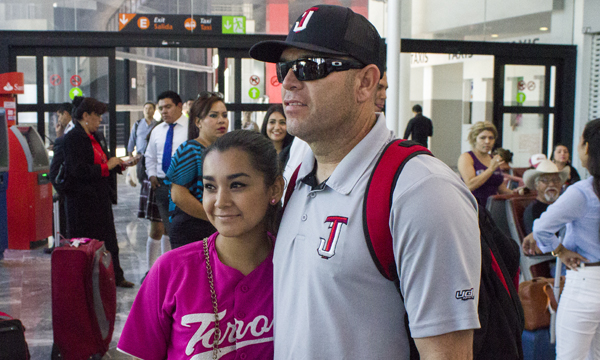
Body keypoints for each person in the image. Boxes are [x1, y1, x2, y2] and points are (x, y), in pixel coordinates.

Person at [250, 5, 481, 359]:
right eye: (285, 68)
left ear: (366, 82)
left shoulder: (422, 192)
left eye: (311, 67)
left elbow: (447, 354)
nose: (290, 82)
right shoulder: (297, 169)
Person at [117, 130, 284, 359]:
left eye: (237, 185)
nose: (220, 202)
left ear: (274, 189)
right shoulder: (172, 269)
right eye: (210, 187)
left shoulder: (294, 269)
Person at [527, 119, 600, 359]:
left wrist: (560, 251)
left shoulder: (582, 192)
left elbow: (542, 229)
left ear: (586, 147)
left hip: (587, 282)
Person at [62, 96, 134, 288]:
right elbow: (77, 171)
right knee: (86, 242)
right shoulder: (73, 138)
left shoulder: (95, 137)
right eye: (97, 116)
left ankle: (115, 275)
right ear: (85, 115)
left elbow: (104, 161)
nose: (100, 120)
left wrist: (118, 164)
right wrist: (106, 166)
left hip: (99, 198)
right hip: (82, 201)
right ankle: (85, 279)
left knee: (109, 239)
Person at [166, 92, 228, 248]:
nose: (221, 120)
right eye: (213, 115)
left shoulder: (221, 151)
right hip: (191, 228)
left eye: (224, 115)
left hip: (213, 225)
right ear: (198, 122)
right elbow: (178, 196)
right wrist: (213, 217)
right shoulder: (190, 149)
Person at [145, 91, 189, 253]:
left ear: (179, 106)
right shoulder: (157, 130)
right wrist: (151, 175)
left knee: (180, 231)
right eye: (161, 108)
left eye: (168, 107)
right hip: (162, 186)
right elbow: (149, 156)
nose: (164, 111)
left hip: (185, 186)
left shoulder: (191, 129)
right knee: (166, 229)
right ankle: (162, 269)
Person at [458, 121, 513, 207]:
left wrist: (518, 193)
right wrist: (490, 169)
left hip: (492, 207)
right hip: (473, 206)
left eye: (491, 138)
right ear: (474, 139)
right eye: (483, 138)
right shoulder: (467, 157)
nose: (487, 141)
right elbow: (470, 185)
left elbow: (502, 189)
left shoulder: (493, 159)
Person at [521, 159, 569, 234]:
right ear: (537, 185)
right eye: (545, 180)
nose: (551, 184)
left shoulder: (564, 206)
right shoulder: (532, 211)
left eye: (556, 180)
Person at [260, 104, 294, 169]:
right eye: (272, 122)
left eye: (282, 122)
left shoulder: (294, 154)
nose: (277, 127)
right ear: (265, 125)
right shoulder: (257, 154)